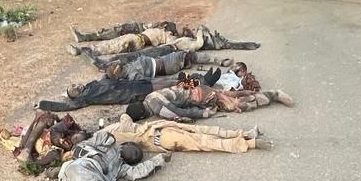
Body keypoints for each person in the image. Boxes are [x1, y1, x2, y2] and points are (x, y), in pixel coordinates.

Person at [36, 69, 223, 113]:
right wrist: (44, 104)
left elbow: (109, 80)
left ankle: (201, 80)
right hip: (132, 93)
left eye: (74, 85)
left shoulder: (92, 85)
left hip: (133, 83)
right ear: (75, 96)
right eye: (74, 90)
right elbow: (66, 106)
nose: (76, 87)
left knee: (172, 80)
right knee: (172, 86)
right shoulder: (86, 98)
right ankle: (205, 83)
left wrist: (110, 73)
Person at [104, 113, 272, 152]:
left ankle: (247, 139)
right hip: (159, 132)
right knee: (204, 134)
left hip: (158, 136)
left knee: (203, 139)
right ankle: (246, 138)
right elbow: (126, 118)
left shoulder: (106, 140)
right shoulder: (109, 132)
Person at [68, 24, 259, 58]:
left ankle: (84, 50)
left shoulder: (178, 40)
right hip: (140, 35)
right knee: (119, 33)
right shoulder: (170, 31)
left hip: (139, 41)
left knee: (113, 45)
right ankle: (86, 39)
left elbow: (196, 43)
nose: (188, 30)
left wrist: (202, 33)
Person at [125, 83, 293, 121]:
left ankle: (274, 95)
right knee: (228, 94)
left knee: (234, 105)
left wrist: (203, 113)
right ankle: (264, 94)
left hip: (201, 97)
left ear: (143, 116)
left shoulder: (158, 108)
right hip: (198, 88)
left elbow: (180, 112)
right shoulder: (150, 96)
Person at [0, 112, 90, 174]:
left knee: (54, 154)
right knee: (45, 120)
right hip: (44, 138)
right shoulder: (67, 128)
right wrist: (59, 138)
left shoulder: (71, 147)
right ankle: (27, 150)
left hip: (46, 147)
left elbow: (64, 153)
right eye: (76, 137)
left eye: (77, 141)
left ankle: (28, 154)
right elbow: (55, 129)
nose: (74, 140)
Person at [100, 49, 232, 81]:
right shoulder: (132, 75)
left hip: (163, 61)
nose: (116, 65)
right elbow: (150, 80)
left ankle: (188, 64)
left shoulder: (127, 68)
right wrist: (172, 79)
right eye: (114, 67)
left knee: (185, 57)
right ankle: (219, 61)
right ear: (117, 72)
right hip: (166, 64)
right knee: (186, 55)